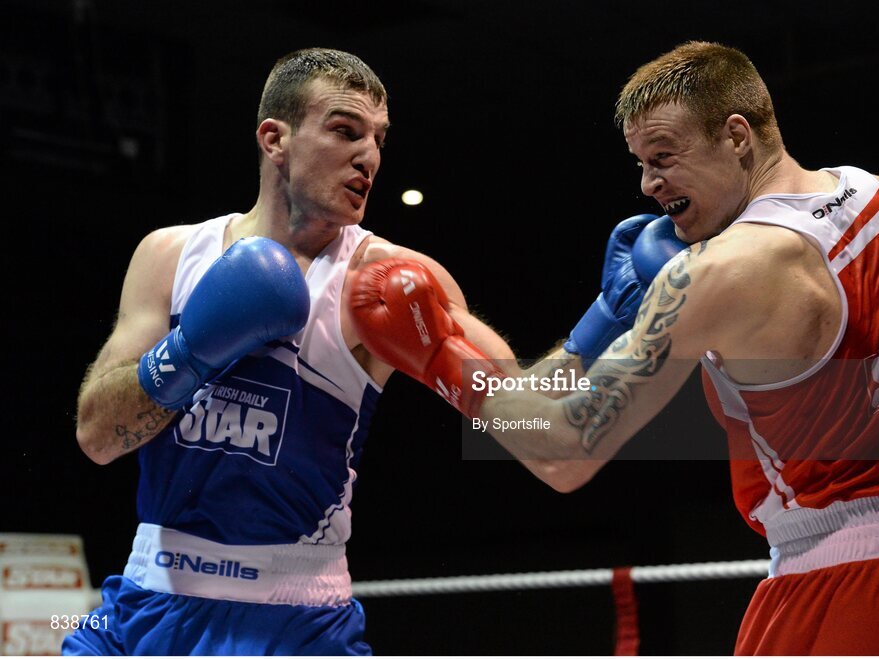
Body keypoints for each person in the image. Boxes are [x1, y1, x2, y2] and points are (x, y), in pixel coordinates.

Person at [347, 41, 879, 654]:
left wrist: (439, 359)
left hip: (843, 583)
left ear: (735, 136)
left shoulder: (716, 271)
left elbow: (562, 451)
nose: (648, 185)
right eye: (641, 165)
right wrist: (604, 320)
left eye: (664, 157)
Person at [66, 47, 684, 656]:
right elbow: (97, 437)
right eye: (344, 130)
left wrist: (607, 321)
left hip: (296, 624)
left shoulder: (387, 280)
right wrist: (193, 349)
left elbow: (534, 427)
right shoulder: (171, 257)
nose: (368, 156)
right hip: (146, 607)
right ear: (273, 138)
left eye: (379, 139)